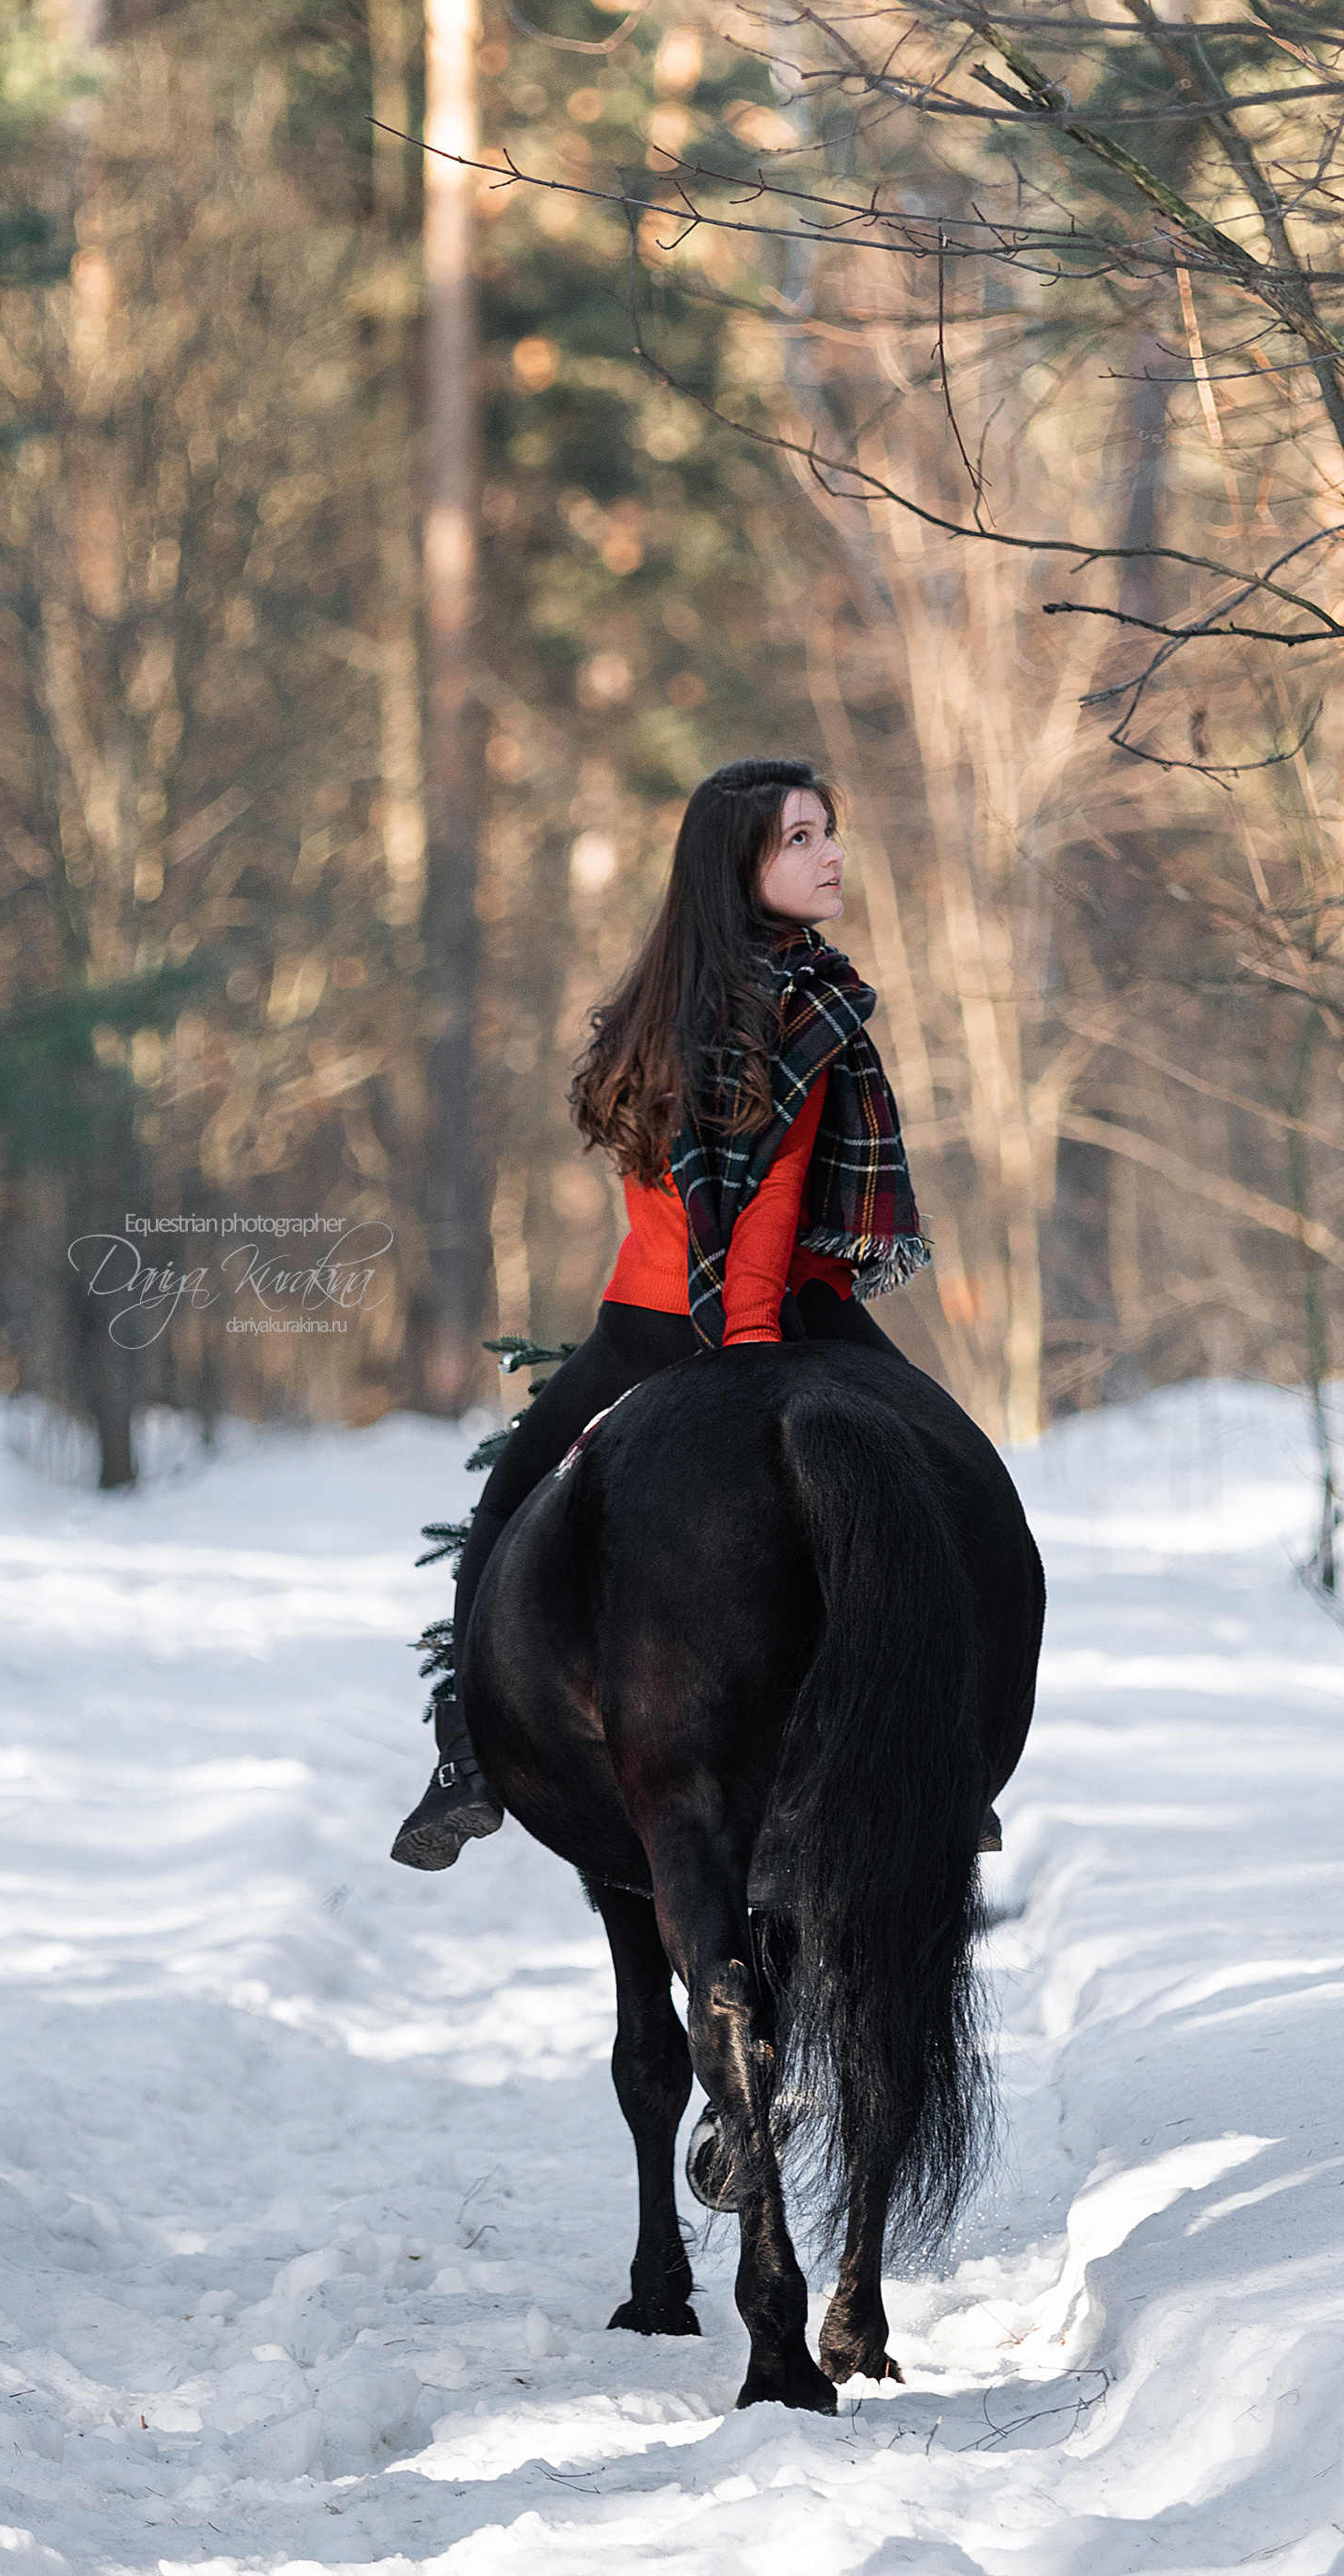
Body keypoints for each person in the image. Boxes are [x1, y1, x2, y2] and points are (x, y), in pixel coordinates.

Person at [390, 755, 931, 1873]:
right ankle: (941, 1760)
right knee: (934, 1487)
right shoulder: (811, 1005)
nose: (830, 854)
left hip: (645, 1319)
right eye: (799, 838)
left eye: (828, 831)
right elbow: (771, 1206)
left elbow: (703, 1201)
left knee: (505, 1505)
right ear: (737, 864)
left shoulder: (657, 1006)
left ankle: (466, 1757)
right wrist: (746, 1355)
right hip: (782, 1318)